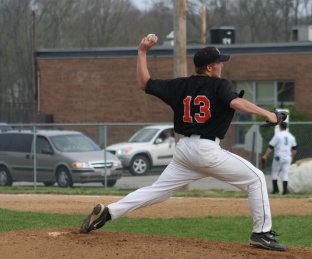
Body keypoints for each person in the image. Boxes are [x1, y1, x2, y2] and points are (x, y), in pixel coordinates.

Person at [79, 34, 286, 251]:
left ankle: (108, 212)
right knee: (257, 179)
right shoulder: (219, 85)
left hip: (185, 151)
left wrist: (142, 52)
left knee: (158, 191)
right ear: (208, 68)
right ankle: (261, 233)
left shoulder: (181, 85)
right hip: (206, 151)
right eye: (218, 62)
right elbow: (235, 102)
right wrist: (268, 115)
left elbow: (144, 83)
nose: (221, 65)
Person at [261, 122, 297, 195]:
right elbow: (295, 149)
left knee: (275, 172)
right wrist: (291, 157)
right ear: (286, 127)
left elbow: (271, 147)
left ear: (280, 127)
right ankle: (284, 191)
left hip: (278, 157)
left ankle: (275, 190)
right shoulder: (291, 136)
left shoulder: (278, 135)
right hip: (287, 157)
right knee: (285, 173)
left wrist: (265, 155)